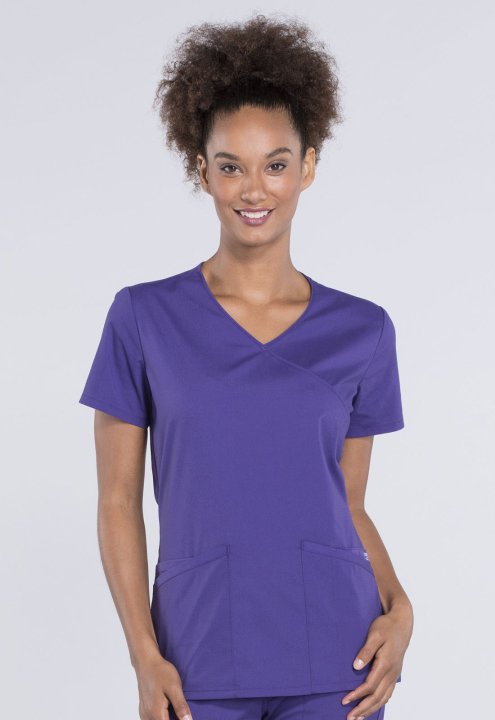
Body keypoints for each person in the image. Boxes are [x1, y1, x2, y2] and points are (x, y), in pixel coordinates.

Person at [78, 13, 414, 720]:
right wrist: (143, 654)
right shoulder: (143, 318)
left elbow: (349, 505)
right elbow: (116, 502)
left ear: (308, 167)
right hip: (195, 656)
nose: (253, 189)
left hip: (339, 660)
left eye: (276, 164)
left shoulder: (362, 330)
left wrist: (400, 607)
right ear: (202, 170)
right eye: (230, 165)